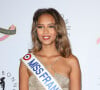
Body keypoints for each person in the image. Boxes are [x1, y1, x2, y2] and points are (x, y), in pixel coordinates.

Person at [19, 8, 81, 90]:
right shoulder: (27, 62)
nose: (45, 32)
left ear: (58, 29)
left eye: (50, 26)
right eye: (40, 27)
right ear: (35, 30)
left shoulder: (71, 61)